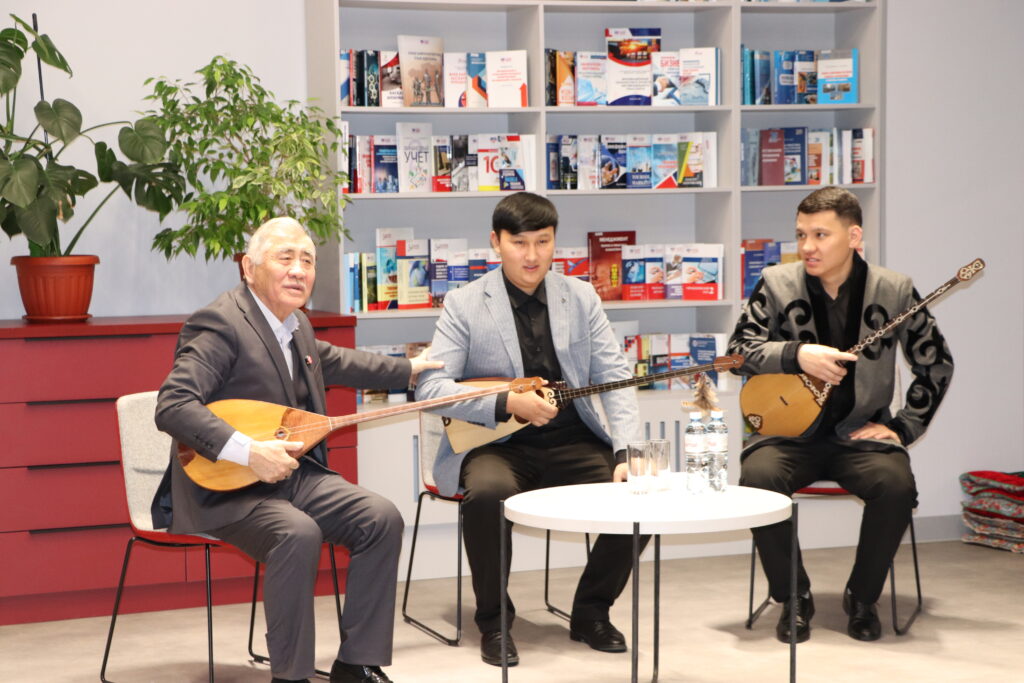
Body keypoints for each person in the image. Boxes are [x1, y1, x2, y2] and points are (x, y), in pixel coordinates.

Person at [152, 217, 442, 683]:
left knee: (379, 517)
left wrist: (408, 369)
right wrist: (250, 452)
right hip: (226, 486)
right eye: (285, 257)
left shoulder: (295, 323)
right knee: (297, 533)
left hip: (291, 475)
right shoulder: (221, 323)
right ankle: (290, 676)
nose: (299, 270)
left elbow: (336, 360)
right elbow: (174, 405)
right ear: (249, 268)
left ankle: (357, 664)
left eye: (307, 260)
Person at [415, 192, 648, 667]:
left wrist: (627, 453)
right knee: (487, 496)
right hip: (497, 444)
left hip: (573, 439)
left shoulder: (580, 296)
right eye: (519, 243)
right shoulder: (464, 303)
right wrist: (506, 402)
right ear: (495, 242)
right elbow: (431, 388)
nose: (532, 255)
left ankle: (590, 611)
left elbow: (616, 377)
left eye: (543, 242)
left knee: (640, 495)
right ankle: (495, 622)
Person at [728, 186, 954, 643]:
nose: (807, 246)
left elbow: (936, 363)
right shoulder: (775, 283)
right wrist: (796, 354)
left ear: (854, 237)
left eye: (820, 235)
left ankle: (863, 597)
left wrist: (902, 427)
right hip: (787, 436)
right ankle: (794, 597)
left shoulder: (894, 289)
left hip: (859, 435)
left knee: (895, 486)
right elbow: (737, 354)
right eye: (801, 234)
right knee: (758, 478)